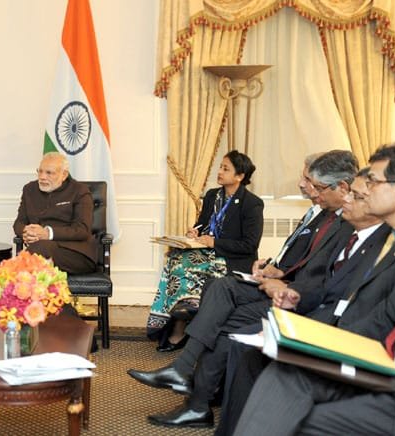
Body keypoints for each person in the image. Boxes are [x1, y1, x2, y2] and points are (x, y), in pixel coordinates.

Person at [129, 150, 358, 428]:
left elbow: (318, 275)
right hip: (282, 282)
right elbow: (303, 259)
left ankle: (193, 390)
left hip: (295, 296)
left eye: (312, 182)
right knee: (218, 286)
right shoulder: (325, 215)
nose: (303, 185)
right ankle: (188, 377)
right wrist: (274, 268)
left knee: (223, 306)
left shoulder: (344, 220)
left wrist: (282, 279)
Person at [225, 143, 395, 435]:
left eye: (373, 182)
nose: (360, 190)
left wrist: (318, 341)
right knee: (276, 365)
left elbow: (391, 319)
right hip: (358, 339)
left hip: (386, 363)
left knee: (289, 377)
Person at [147, 150, 264, 352]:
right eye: (220, 167)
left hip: (231, 258)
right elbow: (203, 224)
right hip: (207, 252)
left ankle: (184, 319)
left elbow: (249, 245)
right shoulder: (212, 196)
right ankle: (179, 316)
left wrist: (214, 243)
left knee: (186, 264)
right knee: (175, 257)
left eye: (225, 168)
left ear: (240, 176)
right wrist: (195, 231)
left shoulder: (252, 204)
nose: (219, 171)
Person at [13, 152, 97, 274]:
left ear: (64, 175)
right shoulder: (30, 190)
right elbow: (19, 222)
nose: (42, 177)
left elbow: (82, 230)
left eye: (49, 173)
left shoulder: (79, 191)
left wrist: (48, 233)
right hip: (40, 250)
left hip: (75, 253)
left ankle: (13, 282)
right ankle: (23, 286)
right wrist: (26, 232)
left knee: (39, 250)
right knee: (39, 252)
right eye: (40, 171)